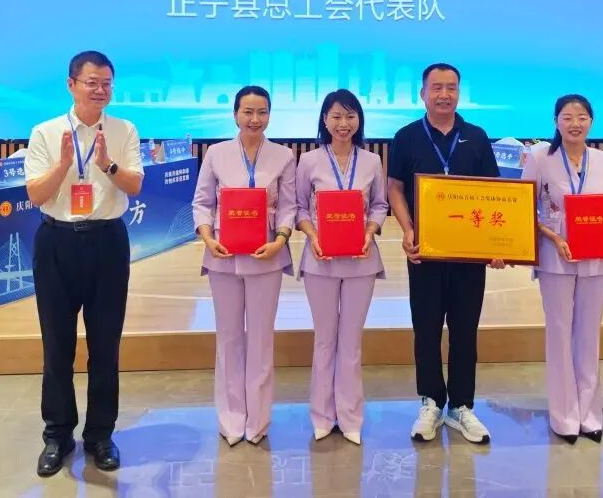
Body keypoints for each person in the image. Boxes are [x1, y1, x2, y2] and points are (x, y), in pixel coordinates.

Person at [24, 51, 144, 476]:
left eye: (106, 83)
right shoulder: (45, 132)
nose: (100, 90)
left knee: (105, 346)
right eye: (92, 82)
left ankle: (100, 436)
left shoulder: (124, 129)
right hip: (56, 241)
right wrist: (62, 165)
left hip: (108, 242)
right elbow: (36, 194)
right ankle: (57, 435)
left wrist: (107, 163)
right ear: (71, 84)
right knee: (57, 346)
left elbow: (134, 184)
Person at [387, 63, 505, 445]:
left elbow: (493, 193)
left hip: (469, 256)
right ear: (422, 93)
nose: (444, 94)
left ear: (459, 92)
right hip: (425, 252)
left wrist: (495, 244)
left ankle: (462, 406)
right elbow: (395, 188)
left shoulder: (477, 136)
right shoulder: (406, 136)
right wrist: (408, 229)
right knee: (425, 329)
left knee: (465, 330)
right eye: (436, 87)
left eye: (451, 87)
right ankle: (431, 402)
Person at [192, 85, 296, 447]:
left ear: (270, 115)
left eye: (262, 112)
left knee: (262, 340)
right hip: (223, 256)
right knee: (229, 338)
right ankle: (231, 418)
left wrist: (280, 239)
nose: (255, 119)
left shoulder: (284, 155)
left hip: (267, 256)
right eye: (248, 112)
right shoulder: (216, 153)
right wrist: (208, 238)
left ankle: (258, 419)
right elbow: (202, 202)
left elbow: (289, 206)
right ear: (235, 114)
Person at [520, 94, 603, 444]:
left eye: (581, 117)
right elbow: (525, 208)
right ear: (556, 122)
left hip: (597, 258)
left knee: (589, 335)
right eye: (567, 117)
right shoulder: (539, 158)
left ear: (591, 122)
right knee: (560, 334)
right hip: (556, 258)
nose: (575, 123)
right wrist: (553, 236)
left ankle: (590, 415)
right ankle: (564, 416)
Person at [295, 89, 389, 446]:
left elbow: (379, 205)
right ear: (324, 120)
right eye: (336, 116)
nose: (343, 123)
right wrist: (312, 235)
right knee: (324, 340)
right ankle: (322, 415)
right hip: (320, 260)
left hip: (361, 261)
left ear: (359, 120)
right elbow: (299, 207)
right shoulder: (308, 161)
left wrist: (370, 231)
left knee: (351, 342)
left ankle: (350, 417)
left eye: (350, 116)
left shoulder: (372, 161)